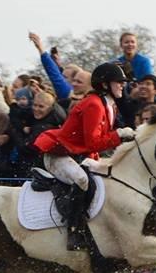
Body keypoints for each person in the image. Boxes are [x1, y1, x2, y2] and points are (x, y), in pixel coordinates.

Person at [33, 63, 134, 250]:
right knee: (82, 180)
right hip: (58, 155)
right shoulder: (94, 104)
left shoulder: (108, 104)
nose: (122, 85)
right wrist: (119, 135)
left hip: (78, 155)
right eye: (118, 82)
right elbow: (93, 143)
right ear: (105, 85)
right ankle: (74, 231)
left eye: (123, 82)